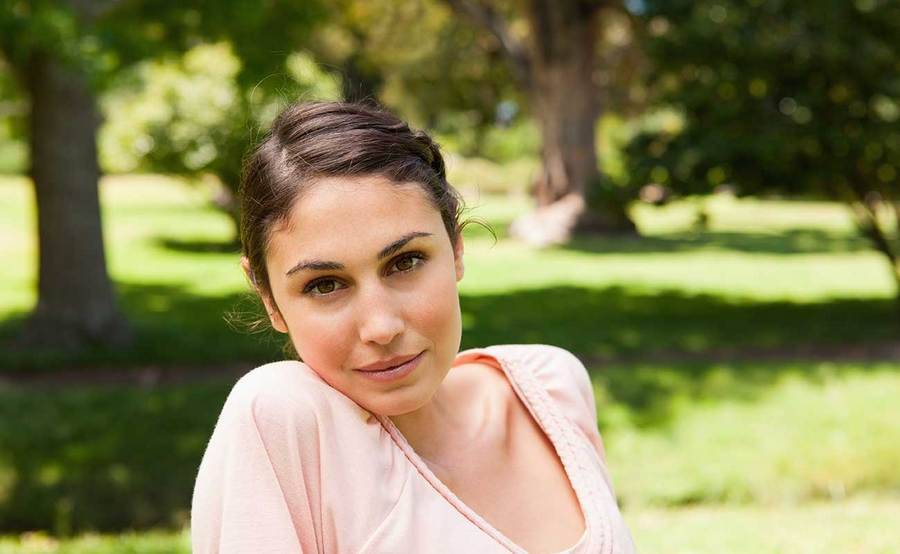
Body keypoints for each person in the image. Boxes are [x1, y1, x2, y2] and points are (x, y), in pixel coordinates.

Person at [190, 101, 635, 553]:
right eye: (325, 285)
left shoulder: (550, 386)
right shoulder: (282, 417)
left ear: (456, 248)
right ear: (270, 300)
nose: (380, 326)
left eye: (406, 261)